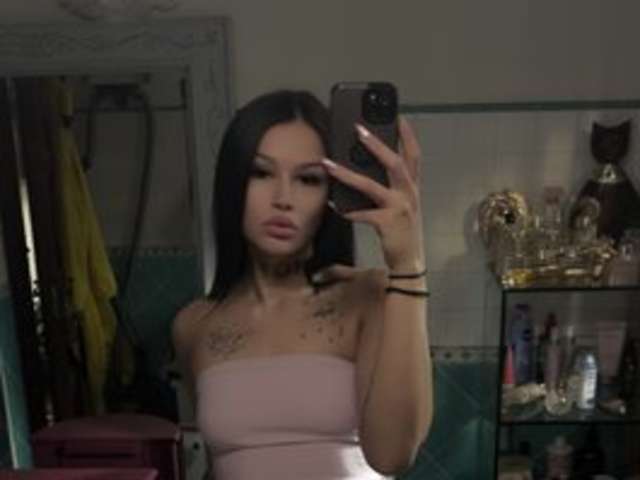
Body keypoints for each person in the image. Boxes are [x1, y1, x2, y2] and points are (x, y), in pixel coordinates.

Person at [172, 89, 433, 480]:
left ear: (331, 193)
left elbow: (392, 456)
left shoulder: (369, 298)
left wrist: (408, 264)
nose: (283, 198)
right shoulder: (193, 325)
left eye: (308, 179)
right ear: (232, 184)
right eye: (261, 173)